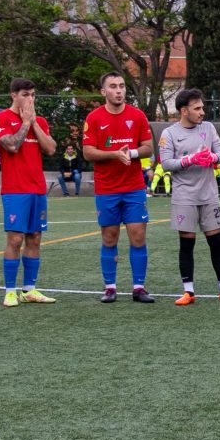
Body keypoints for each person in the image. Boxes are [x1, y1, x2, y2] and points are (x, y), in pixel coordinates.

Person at [158, 87, 220, 305]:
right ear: (184, 111)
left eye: (202, 107)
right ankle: (188, 292)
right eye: (197, 108)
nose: (202, 111)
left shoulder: (209, 128)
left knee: (217, 242)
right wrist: (190, 160)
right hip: (184, 197)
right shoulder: (169, 134)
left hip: (209, 195)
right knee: (187, 244)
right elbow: (166, 164)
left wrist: (211, 157)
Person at [82, 71, 154, 303]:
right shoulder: (93, 118)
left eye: (122, 86)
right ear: (104, 91)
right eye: (113, 86)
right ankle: (110, 287)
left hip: (134, 187)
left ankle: (139, 287)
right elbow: (87, 152)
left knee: (138, 236)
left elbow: (148, 147)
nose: (119, 90)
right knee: (109, 237)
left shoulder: (138, 116)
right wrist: (114, 154)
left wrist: (130, 153)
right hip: (107, 188)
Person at [0, 78, 58, 307]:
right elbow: (11, 145)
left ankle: (29, 289)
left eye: (32, 95)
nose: (30, 99)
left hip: (37, 188)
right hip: (15, 189)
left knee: (35, 238)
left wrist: (33, 123)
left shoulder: (39, 121)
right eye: (25, 95)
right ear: (13, 95)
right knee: (15, 238)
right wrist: (25, 123)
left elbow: (50, 149)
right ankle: (10, 291)